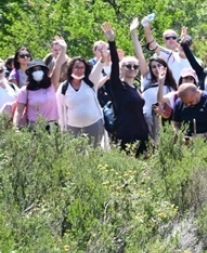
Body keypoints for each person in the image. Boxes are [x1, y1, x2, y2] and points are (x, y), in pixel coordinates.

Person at [102, 22, 149, 156]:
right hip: (125, 136)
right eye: (128, 66)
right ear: (122, 68)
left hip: (142, 134)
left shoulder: (136, 88)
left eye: (135, 67)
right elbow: (115, 68)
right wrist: (112, 41)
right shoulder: (118, 87)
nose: (132, 69)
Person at [14, 38, 66, 130]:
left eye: (40, 69)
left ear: (44, 71)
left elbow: (58, 65)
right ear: (30, 73)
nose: (38, 72)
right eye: (34, 70)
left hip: (53, 126)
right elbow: (19, 111)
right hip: (35, 127)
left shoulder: (51, 84)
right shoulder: (25, 90)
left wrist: (64, 48)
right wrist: (16, 128)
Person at [56, 56, 105, 147]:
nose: (79, 70)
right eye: (76, 67)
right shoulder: (64, 87)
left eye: (82, 67)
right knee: (76, 157)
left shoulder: (90, 82)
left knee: (95, 154)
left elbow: (98, 68)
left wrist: (103, 58)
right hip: (73, 127)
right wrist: (62, 128)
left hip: (94, 124)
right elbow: (60, 110)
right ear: (71, 68)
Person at [141, 16, 191, 82]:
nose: (171, 39)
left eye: (174, 37)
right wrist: (146, 27)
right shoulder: (163, 55)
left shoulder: (187, 57)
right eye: (168, 38)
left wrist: (183, 43)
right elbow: (152, 44)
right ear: (163, 40)